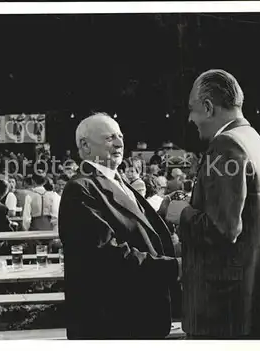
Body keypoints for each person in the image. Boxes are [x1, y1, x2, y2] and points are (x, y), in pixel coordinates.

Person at [160, 69, 260, 339]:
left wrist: (180, 213)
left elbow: (222, 230)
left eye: (192, 110)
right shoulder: (255, 141)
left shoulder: (226, 145)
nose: (190, 119)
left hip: (226, 311)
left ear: (208, 107)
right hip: (259, 300)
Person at [58, 113, 181, 339]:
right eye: (109, 138)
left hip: (139, 319)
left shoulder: (119, 181)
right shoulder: (80, 188)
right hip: (111, 325)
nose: (120, 143)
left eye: (121, 136)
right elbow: (106, 256)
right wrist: (175, 268)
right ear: (84, 146)